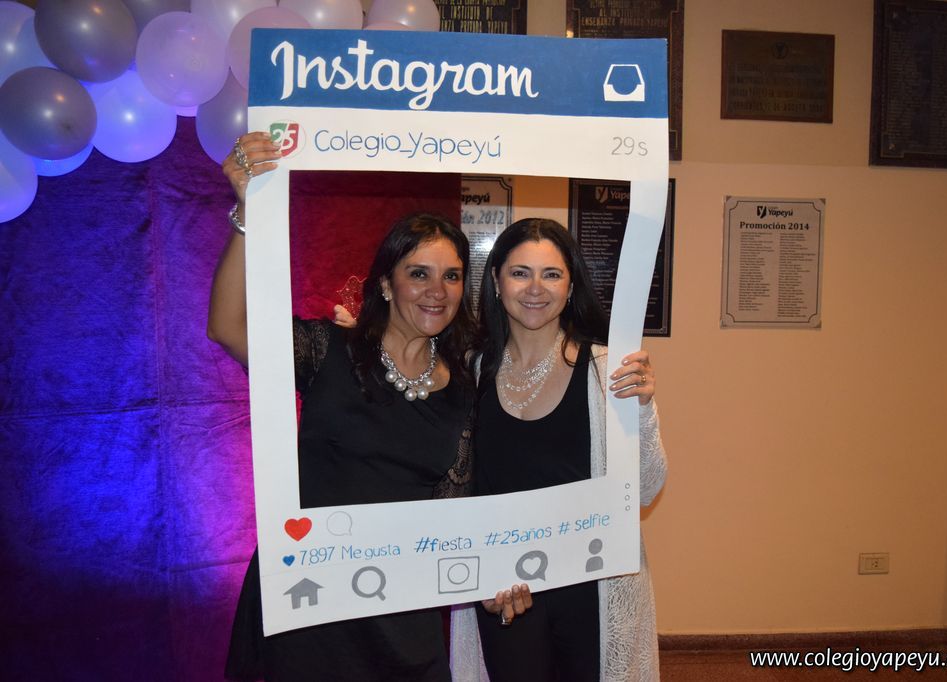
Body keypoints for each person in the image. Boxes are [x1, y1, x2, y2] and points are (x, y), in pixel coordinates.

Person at [209, 132, 529, 682]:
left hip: (401, 616)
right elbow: (228, 326)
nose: (437, 290)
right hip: (307, 605)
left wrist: (496, 573)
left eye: (451, 275)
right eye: (419, 273)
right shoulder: (327, 351)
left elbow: (459, 511)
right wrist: (246, 213)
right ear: (385, 284)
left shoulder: (466, 391)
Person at [449, 218, 668, 682]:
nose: (536, 288)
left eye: (551, 274)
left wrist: (643, 409)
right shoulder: (470, 370)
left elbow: (647, 489)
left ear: (570, 287)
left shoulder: (609, 370)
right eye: (520, 273)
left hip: (592, 590)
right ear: (496, 282)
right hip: (504, 592)